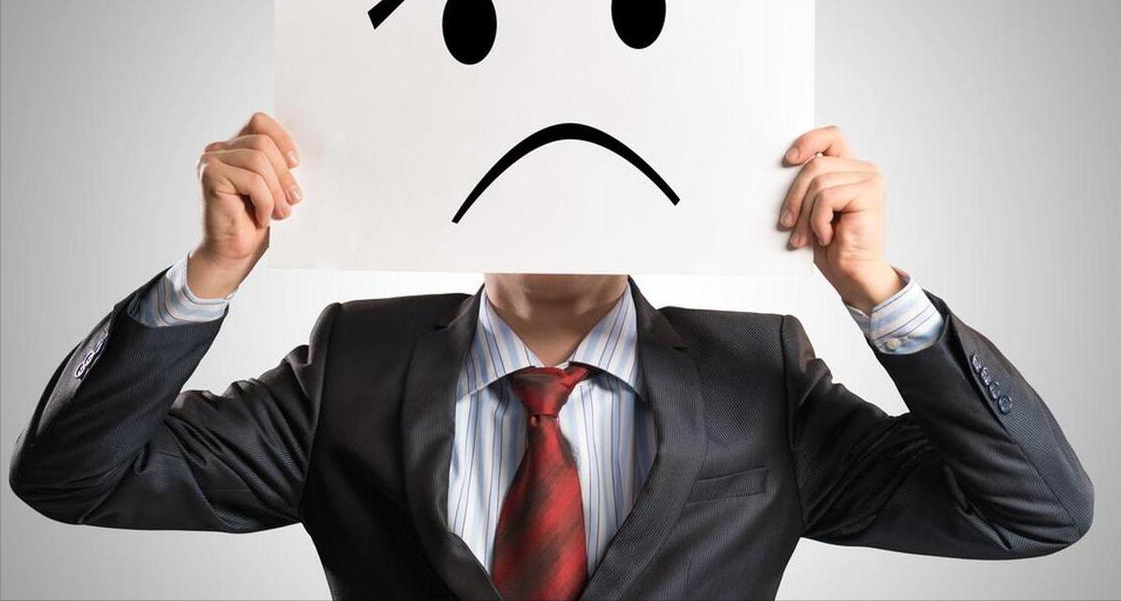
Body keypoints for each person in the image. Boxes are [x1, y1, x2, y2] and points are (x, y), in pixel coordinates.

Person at [9, 112, 1093, 601]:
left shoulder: (757, 372)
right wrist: (208, 274)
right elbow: (74, 476)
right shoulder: (356, 360)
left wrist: (876, 291)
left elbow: (1032, 511)